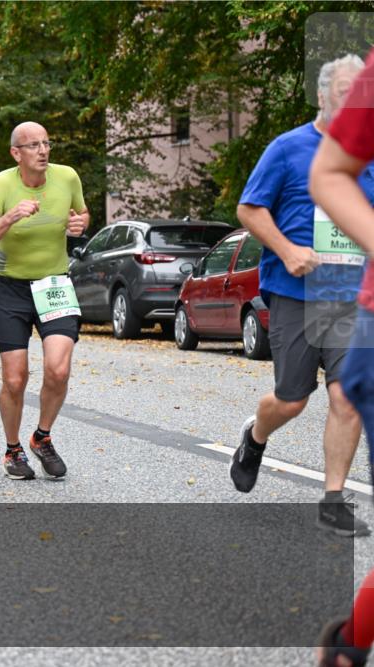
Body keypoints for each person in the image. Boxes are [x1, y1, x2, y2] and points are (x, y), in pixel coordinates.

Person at [229, 54, 371, 537]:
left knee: (347, 397)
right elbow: (249, 209)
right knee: (292, 400)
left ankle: (333, 499)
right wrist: (288, 250)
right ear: (323, 95)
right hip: (293, 292)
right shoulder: (289, 148)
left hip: (349, 296)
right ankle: (255, 435)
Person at [0, 122, 89, 481]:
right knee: (16, 379)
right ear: (16, 153)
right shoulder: (1, 185)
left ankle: (42, 437)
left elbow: (81, 216)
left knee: (59, 369)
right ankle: (13, 449)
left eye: (46, 143)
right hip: (10, 290)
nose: (43, 150)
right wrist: (9, 217)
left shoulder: (67, 178)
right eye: (33, 145)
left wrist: (79, 224)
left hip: (55, 285)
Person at [309, 49, 374, 667]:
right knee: (303, 395)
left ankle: (352, 640)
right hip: (311, 298)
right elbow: (328, 175)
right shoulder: (289, 148)